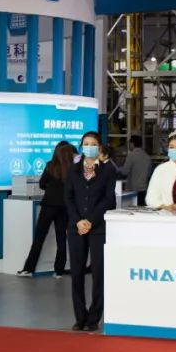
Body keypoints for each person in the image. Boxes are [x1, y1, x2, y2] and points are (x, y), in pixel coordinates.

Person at [63, 131, 117, 332]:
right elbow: (68, 197)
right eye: (86, 143)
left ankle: (94, 318)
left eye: (93, 144)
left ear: (99, 147)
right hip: (76, 228)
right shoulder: (73, 169)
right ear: (81, 146)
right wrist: (78, 221)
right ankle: (80, 317)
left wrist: (91, 221)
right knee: (76, 273)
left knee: (98, 273)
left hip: (98, 228)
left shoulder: (108, 170)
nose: (90, 147)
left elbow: (109, 199)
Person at [16, 141, 75, 278]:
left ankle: (28, 269)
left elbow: (42, 184)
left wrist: (51, 188)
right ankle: (59, 271)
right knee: (61, 239)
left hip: (49, 205)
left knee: (39, 237)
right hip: (64, 207)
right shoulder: (72, 168)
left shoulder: (50, 165)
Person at [117, 135, 152, 206]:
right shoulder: (147, 157)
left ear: (132, 144)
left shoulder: (131, 156)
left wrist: (119, 169)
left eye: (129, 143)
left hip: (132, 190)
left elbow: (124, 172)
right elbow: (149, 174)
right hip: (144, 190)